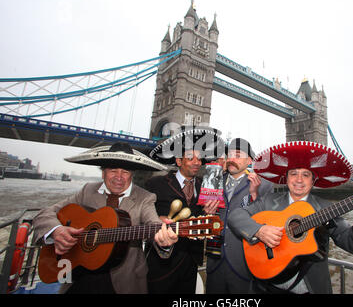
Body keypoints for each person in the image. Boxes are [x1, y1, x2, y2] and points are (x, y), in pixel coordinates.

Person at [228, 141, 353, 294]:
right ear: (286, 178)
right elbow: (236, 215)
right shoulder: (268, 200)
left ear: (313, 180)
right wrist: (259, 230)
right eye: (294, 174)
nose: (299, 180)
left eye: (306, 175)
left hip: (310, 289)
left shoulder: (326, 208)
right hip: (265, 288)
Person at [33, 142, 178, 294]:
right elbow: (45, 214)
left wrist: (164, 242)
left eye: (125, 172)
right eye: (113, 170)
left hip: (123, 282)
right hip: (79, 278)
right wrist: (57, 231)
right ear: (103, 172)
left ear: (132, 174)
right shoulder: (87, 191)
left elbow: (153, 224)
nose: (119, 178)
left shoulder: (145, 198)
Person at [146, 126, 225, 293]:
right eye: (190, 158)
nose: (197, 162)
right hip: (162, 264)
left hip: (190, 263)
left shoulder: (206, 185)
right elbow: (144, 218)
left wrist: (208, 215)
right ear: (179, 161)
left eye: (199, 158)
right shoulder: (155, 185)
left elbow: (201, 224)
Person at [206, 138, 274, 293]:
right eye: (229, 155)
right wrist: (206, 212)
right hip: (214, 262)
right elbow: (204, 218)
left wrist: (254, 195)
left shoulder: (264, 185)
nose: (231, 159)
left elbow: (266, 222)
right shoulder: (213, 181)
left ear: (249, 160)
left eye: (237, 155)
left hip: (244, 263)